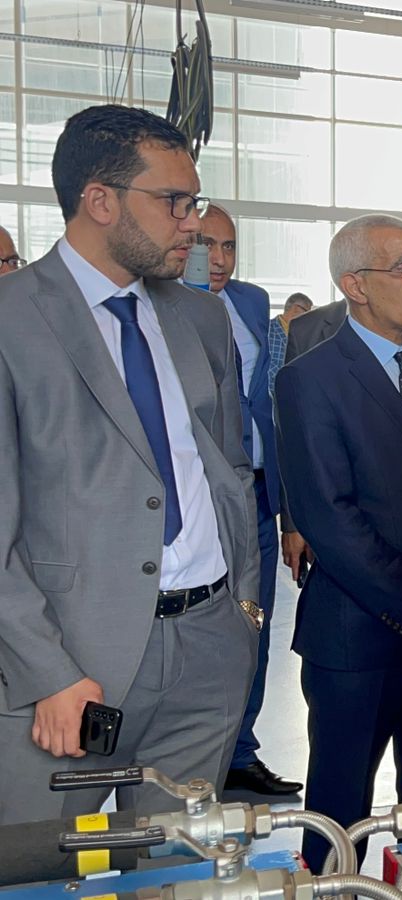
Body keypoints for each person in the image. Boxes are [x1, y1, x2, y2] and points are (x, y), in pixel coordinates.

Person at [0, 104, 259, 824]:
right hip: (73, 666)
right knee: (45, 865)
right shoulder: (12, 321)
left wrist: (243, 610)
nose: (192, 223)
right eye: (174, 201)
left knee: (180, 862)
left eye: (195, 201)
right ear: (100, 201)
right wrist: (46, 672)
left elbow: (229, 469)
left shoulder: (200, 317)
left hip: (209, 650)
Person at [275, 215, 402, 869]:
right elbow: (329, 518)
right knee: (339, 818)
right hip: (357, 636)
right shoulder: (310, 380)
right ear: (355, 285)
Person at [195, 205, 301, 797]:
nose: (218, 258)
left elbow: (275, 404)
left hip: (258, 494)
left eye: (229, 246)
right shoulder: (161, 305)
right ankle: (195, 760)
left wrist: (287, 512)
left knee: (254, 625)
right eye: (206, 244)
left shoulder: (254, 303)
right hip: (200, 500)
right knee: (201, 632)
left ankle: (241, 752)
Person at [277, 291, 402, 589]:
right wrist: (294, 522)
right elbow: (300, 451)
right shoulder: (308, 344)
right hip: (369, 576)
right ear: (354, 284)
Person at [266, 292, 314, 403]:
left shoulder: (305, 336)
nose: (308, 319)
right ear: (296, 309)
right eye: (307, 313)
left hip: (294, 396)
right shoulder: (267, 330)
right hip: (269, 397)